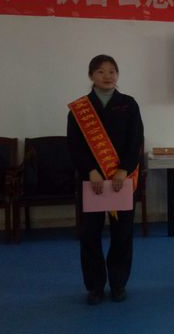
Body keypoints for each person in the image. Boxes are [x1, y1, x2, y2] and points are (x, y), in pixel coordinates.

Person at [67, 54, 144, 305]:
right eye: (101, 71)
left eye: (112, 71)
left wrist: (124, 169)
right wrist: (90, 170)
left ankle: (119, 283)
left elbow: (136, 141)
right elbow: (75, 146)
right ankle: (95, 286)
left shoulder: (128, 104)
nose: (107, 76)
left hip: (123, 180)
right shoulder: (80, 109)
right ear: (91, 76)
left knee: (122, 235)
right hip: (92, 182)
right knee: (90, 235)